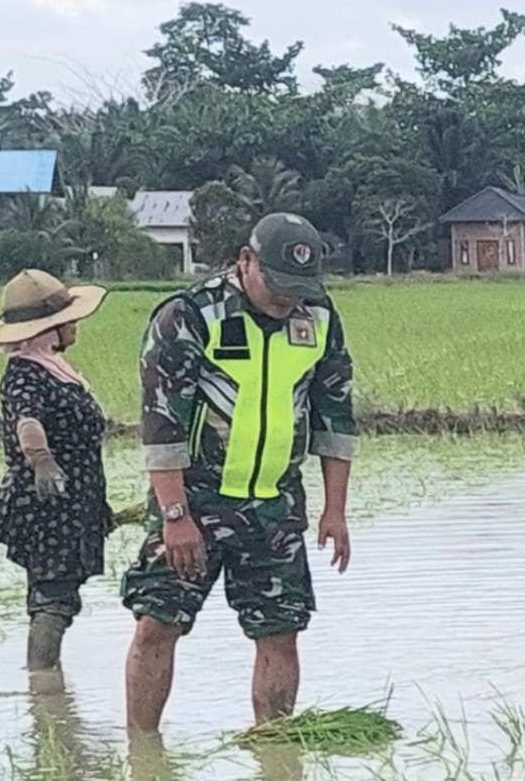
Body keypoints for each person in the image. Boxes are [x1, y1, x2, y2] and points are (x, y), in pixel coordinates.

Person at [121, 213, 358, 731]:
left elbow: (335, 416)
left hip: (275, 505)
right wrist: (175, 515)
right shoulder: (190, 316)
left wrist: (335, 510)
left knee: (280, 631)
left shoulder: (318, 316)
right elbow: (161, 425)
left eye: (298, 289)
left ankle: (273, 751)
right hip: (195, 500)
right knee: (158, 623)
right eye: (277, 285)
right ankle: (143, 753)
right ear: (245, 262)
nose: (287, 300)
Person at [0, 269, 111, 676]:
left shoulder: (52, 369)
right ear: (48, 329)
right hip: (48, 505)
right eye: (69, 320)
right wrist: (41, 460)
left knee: (56, 596)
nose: (75, 325)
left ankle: (48, 685)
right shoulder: (24, 375)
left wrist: (94, 505)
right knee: (53, 599)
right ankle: (43, 687)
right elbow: (27, 421)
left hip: (72, 504)